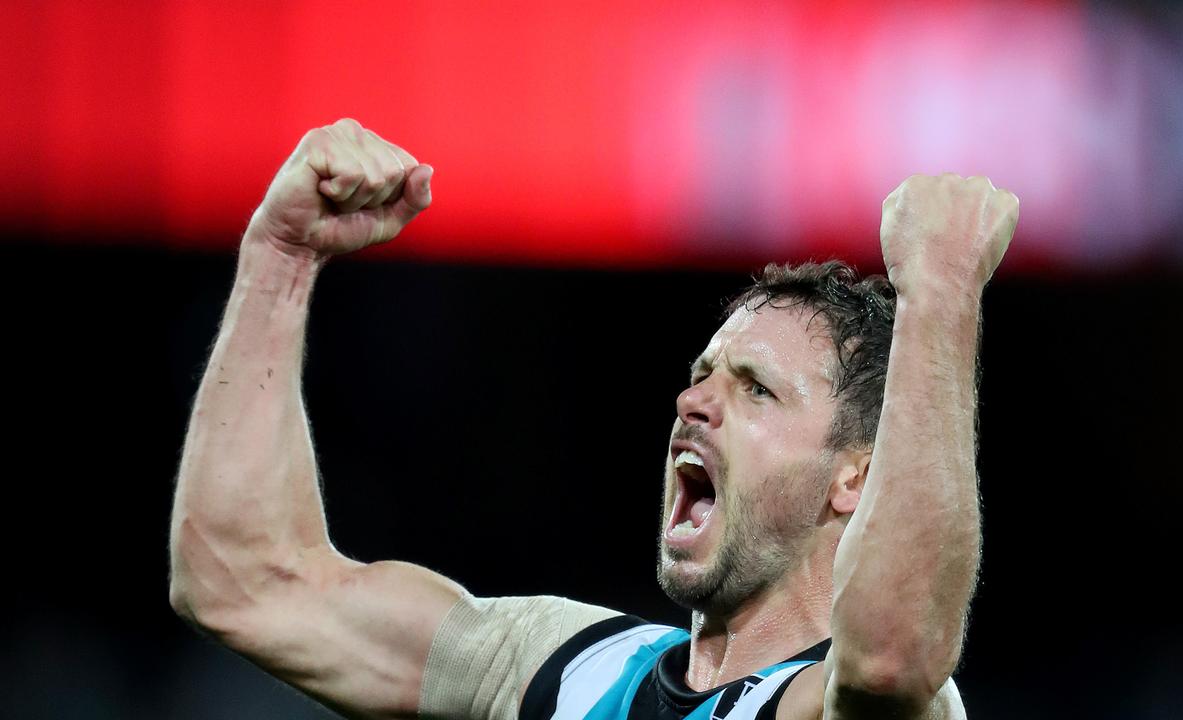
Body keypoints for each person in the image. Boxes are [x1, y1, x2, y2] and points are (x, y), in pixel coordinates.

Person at [168, 118, 1018, 720]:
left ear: (855, 479)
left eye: (755, 389)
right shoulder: (558, 670)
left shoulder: (855, 704)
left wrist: (939, 291)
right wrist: (278, 256)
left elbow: (893, 657)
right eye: (700, 376)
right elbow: (247, 582)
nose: (694, 403)